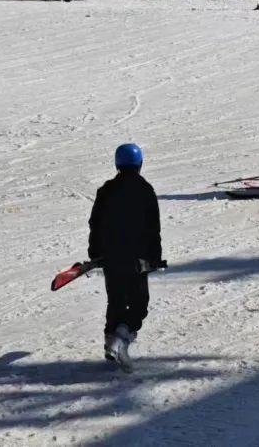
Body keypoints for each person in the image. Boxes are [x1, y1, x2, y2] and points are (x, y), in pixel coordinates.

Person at [88, 143, 162, 370]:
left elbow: (95, 224)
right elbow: (153, 228)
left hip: (111, 257)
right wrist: (154, 257)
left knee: (116, 301)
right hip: (136, 258)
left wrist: (95, 252)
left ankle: (111, 342)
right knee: (139, 304)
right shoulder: (145, 190)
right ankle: (119, 341)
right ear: (140, 164)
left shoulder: (106, 189)